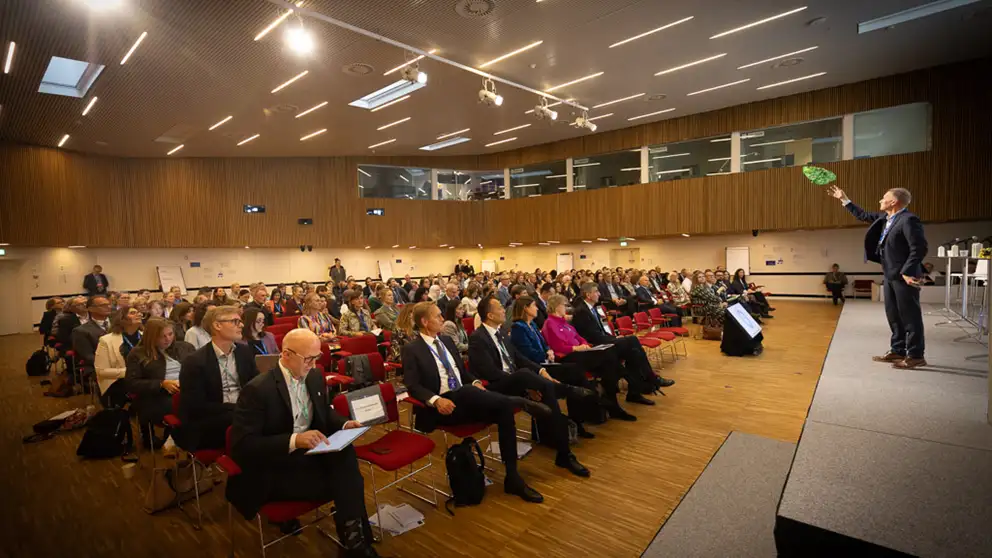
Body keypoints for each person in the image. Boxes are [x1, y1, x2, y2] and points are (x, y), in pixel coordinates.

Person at [228, 329, 377, 556]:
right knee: (348, 481)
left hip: (308, 455)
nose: (314, 363)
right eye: (308, 358)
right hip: (276, 463)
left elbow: (324, 413)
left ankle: (355, 544)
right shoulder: (258, 390)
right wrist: (294, 440)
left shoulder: (314, 376)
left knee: (346, 458)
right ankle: (356, 544)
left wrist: (345, 424)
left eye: (317, 357)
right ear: (286, 354)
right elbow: (243, 445)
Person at [402, 302, 552, 503]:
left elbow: (461, 372)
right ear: (425, 322)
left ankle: (513, 477)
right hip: (444, 407)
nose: (442, 319)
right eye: (437, 316)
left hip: (467, 398)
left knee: (503, 410)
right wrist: (436, 400)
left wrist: (474, 381)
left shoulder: (446, 341)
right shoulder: (412, 349)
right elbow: (412, 385)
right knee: (469, 392)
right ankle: (520, 402)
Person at [469, 296, 590, 476]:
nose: (504, 310)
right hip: (496, 385)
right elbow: (489, 372)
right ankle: (565, 391)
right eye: (500, 307)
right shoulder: (478, 338)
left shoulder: (501, 333)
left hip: (514, 380)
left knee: (544, 386)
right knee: (527, 376)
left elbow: (518, 358)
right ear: (490, 315)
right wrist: (524, 383)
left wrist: (540, 371)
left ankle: (564, 453)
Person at [828, 185, 928, 368]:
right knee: (893, 315)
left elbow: (919, 248)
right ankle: (898, 350)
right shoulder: (886, 217)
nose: (880, 201)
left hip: (904, 276)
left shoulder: (908, 220)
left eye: (884, 198)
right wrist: (844, 199)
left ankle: (915, 355)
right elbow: (863, 215)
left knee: (910, 316)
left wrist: (907, 271)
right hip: (890, 273)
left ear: (894, 202)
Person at [511, 296, 600, 437]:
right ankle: (589, 399)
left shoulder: (532, 325)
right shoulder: (518, 328)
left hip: (546, 362)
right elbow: (527, 353)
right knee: (574, 372)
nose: (537, 308)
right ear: (526, 309)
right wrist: (546, 354)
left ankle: (580, 414)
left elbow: (544, 344)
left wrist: (549, 350)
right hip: (536, 367)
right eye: (534, 305)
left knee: (575, 373)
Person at [541, 294, 637, 421]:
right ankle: (623, 384)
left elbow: (579, 337)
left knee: (609, 359)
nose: (566, 308)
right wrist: (576, 348)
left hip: (581, 353)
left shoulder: (564, 322)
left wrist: (584, 344)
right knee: (609, 358)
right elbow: (557, 346)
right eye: (564, 305)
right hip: (569, 357)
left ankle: (612, 399)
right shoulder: (550, 323)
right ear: (557, 307)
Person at [570, 282, 673, 398]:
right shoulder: (581, 311)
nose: (599, 294)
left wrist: (614, 338)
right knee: (632, 341)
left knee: (633, 352)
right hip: (596, 346)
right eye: (596, 292)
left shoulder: (592, 308)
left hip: (604, 340)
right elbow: (593, 336)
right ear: (588, 295)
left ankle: (637, 391)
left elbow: (601, 331)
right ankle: (650, 379)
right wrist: (613, 339)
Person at [179, 306, 259, 451]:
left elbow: (256, 385)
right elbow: (196, 406)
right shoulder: (195, 361)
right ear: (217, 325)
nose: (241, 325)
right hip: (211, 420)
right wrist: (238, 409)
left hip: (243, 412)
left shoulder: (244, 352)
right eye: (235, 321)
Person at [125, 317, 195, 449]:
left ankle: (179, 441)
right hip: (156, 397)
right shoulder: (138, 353)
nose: (168, 339)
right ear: (151, 337)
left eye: (170, 334)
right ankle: (174, 442)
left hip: (186, 390)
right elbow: (131, 383)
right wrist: (161, 384)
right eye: (162, 336)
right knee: (185, 408)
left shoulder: (185, 347)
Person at [94, 306, 142, 409]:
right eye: (133, 313)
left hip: (144, 379)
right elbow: (101, 371)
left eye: (139, 312)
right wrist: (130, 372)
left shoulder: (145, 336)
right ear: (122, 319)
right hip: (119, 381)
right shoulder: (106, 340)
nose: (139, 314)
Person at [72, 295, 113, 393]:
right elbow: (87, 356)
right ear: (90, 309)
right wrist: (111, 363)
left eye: (108, 304)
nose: (108, 307)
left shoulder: (119, 325)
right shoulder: (81, 331)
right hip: (97, 366)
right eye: (103, 305)